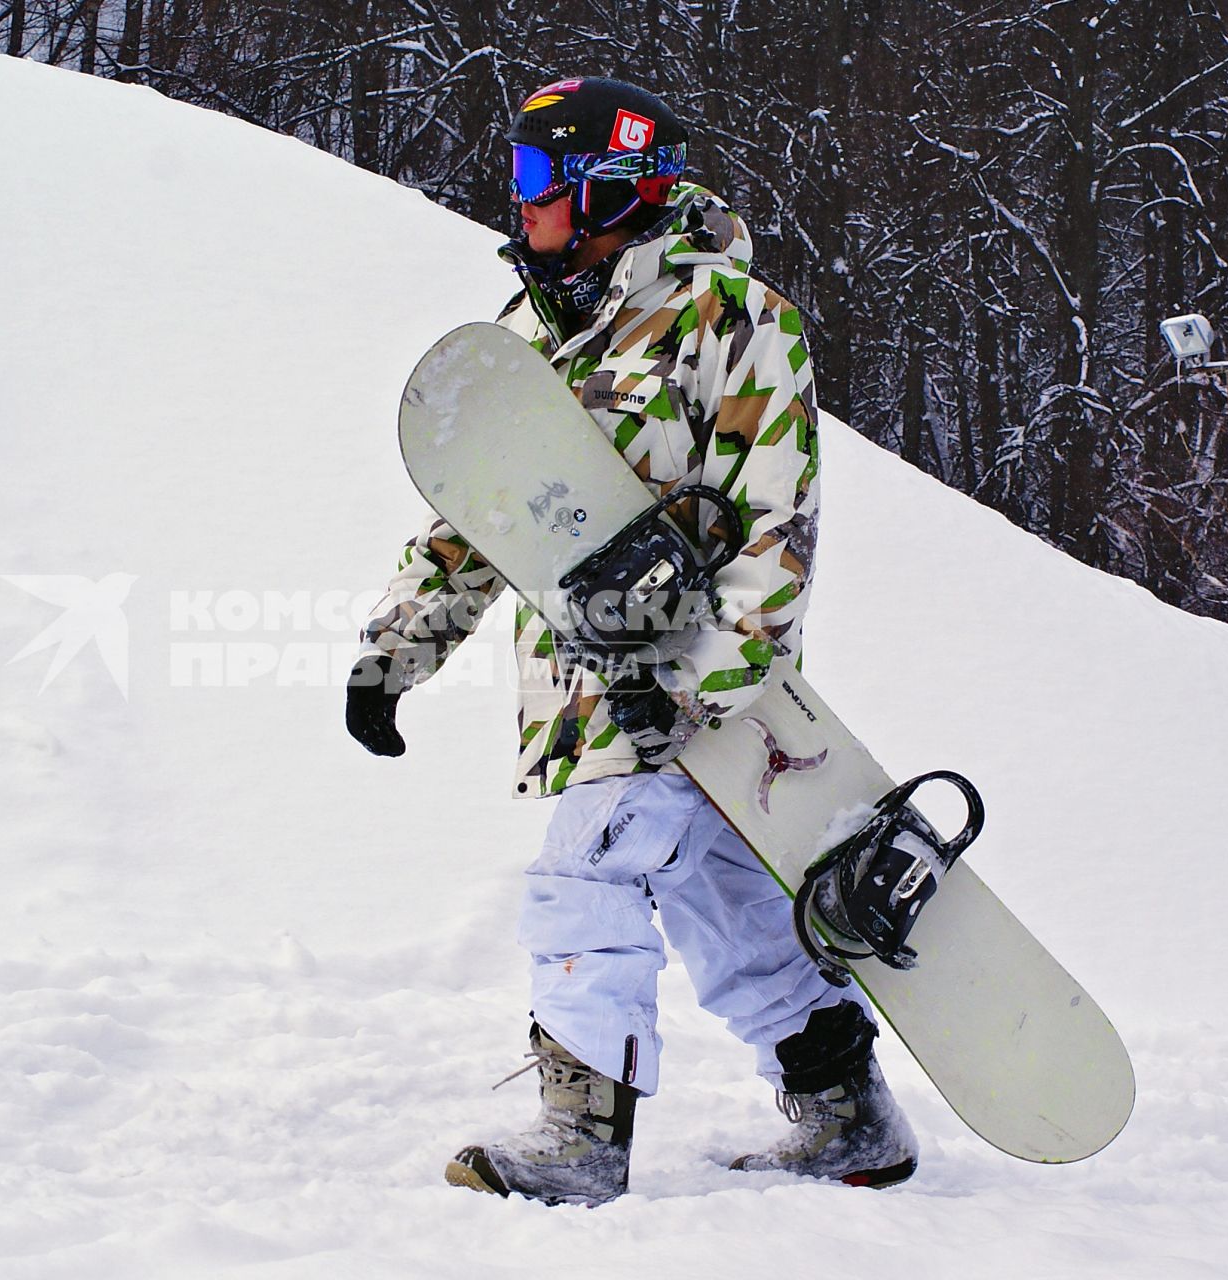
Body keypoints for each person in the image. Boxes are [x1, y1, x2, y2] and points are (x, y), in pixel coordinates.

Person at [345, 77, 917, 1206]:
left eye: (530, 179)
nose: (517, 207)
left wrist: (697, 686)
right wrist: (392, 653)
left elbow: (774, 529)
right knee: (722, 901)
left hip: (686, 678)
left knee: (586, 871)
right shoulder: (532, 336)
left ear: (601, 182)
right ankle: (845, 1113)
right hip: (583, 679)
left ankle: (578, 1134)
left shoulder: (732, 319)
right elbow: (476, 523)